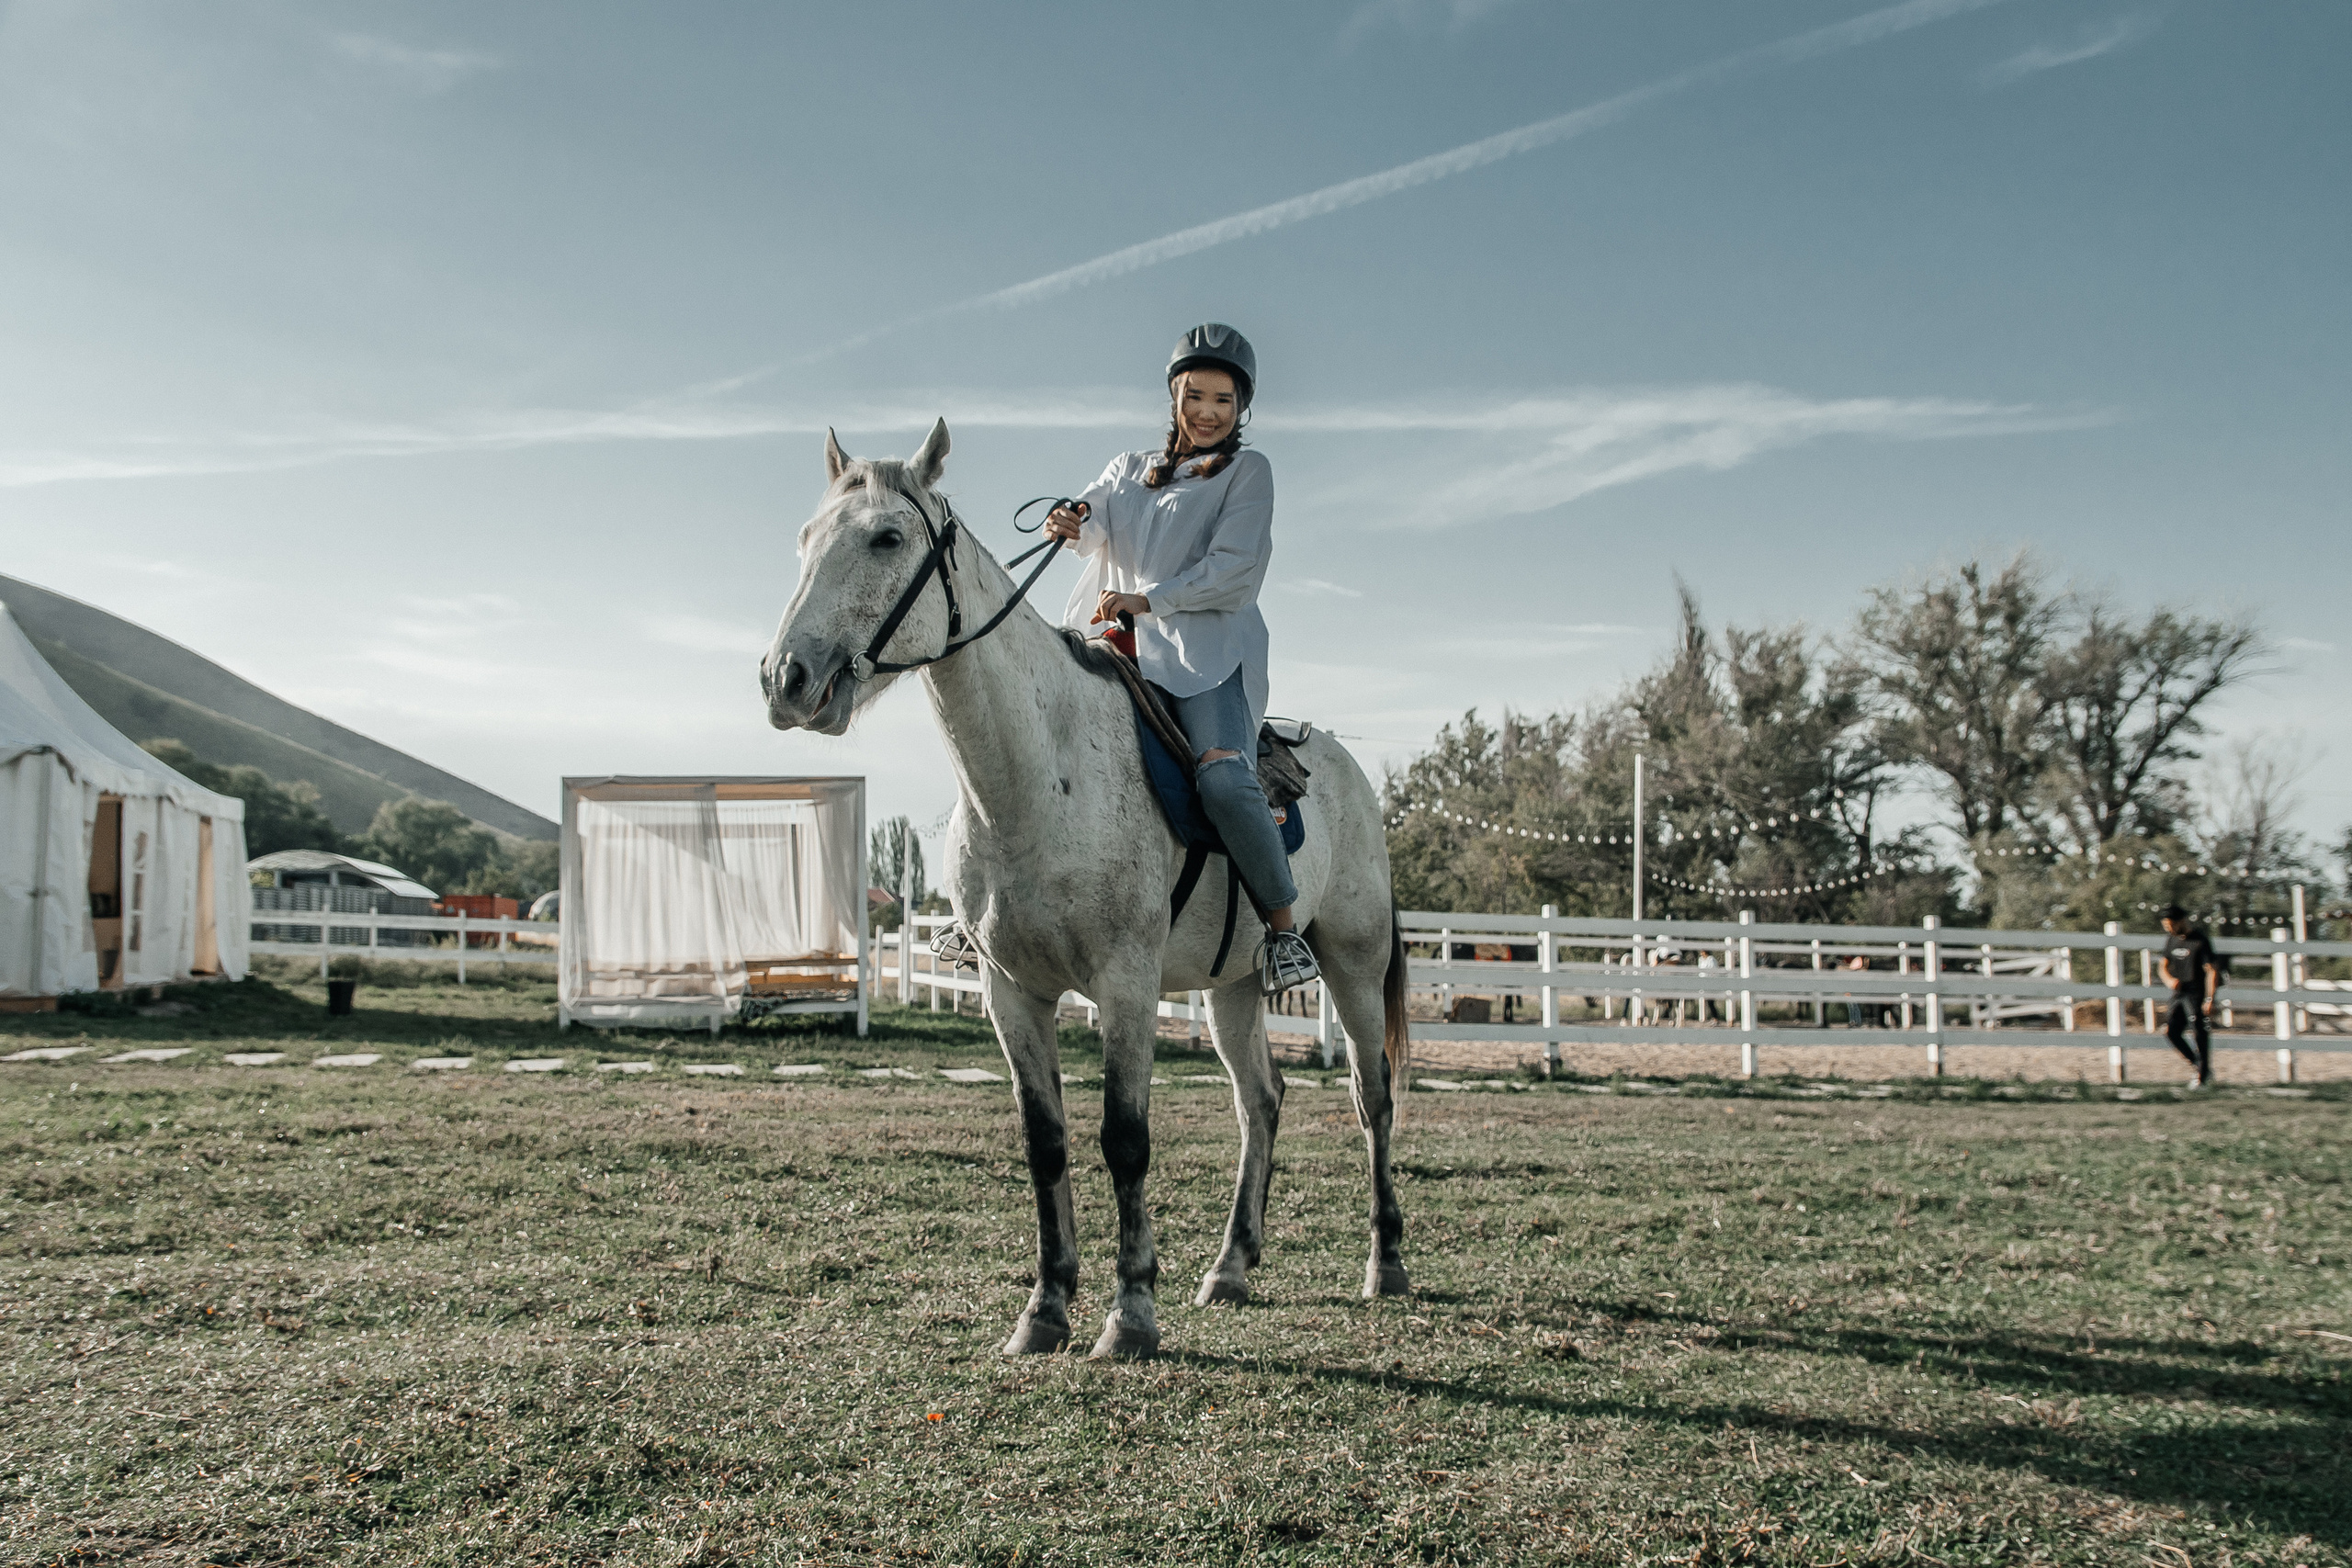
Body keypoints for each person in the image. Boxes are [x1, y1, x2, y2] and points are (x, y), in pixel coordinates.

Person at [1038, 322, 1317, 995]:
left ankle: (1282, 931)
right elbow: (1096, 514)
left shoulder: (1249, 473)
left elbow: (1234, 573)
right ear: (1174, 395)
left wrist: (1146, 600)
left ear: (1241, 407)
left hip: (1204, 656)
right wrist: (1069, 520)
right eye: (1196, 395)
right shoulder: (1128, 467)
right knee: (1023, 737)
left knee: (1222, 780)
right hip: (1110, 642)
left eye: (1223, 399)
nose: (1208, 411)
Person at [2156, 903, 2221, 1088]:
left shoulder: (2200, 940)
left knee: (2199, 1032)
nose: (2170, 929)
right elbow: (2163, 966)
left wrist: (2210, 998)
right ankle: (2200, 1066)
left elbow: (2212, 970)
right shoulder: (2172, 940)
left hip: (2197, 993)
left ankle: (2202, 1076)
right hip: (2179, 993)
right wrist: (2169, 980)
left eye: (2172, 925)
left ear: (2181, 921)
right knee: (2171, 1031)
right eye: (2166, 926)